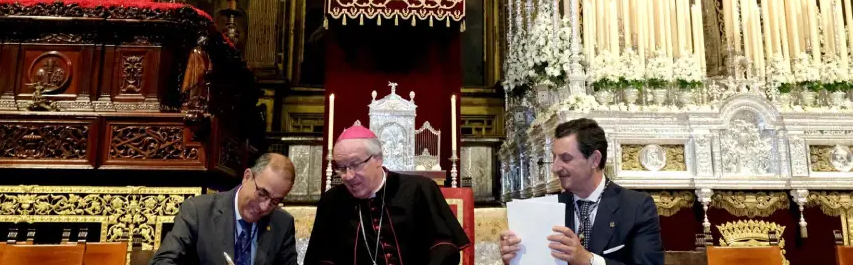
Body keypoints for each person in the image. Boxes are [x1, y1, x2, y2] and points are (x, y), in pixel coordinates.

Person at [499, 118, 664, 265]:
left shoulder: (636, 207)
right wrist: (516, 259)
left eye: (566, 158)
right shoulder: (546, 209)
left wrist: (588, 260)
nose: (555, 168)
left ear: (594, 160)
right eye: (554, 157)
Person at [303, 125, 470, 265]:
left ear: (378, 159)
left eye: (355, 165)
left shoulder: (420, 189)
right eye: (341, 167)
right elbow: (320, 258)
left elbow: (445, 245)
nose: (348, 176)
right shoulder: (331, 201)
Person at [150, 153, 298, 265]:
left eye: (275, 201)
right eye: (262, 193)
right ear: (247, 177)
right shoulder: (198, 211)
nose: (264, 207)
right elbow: (163, 261)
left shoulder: (282, 223)